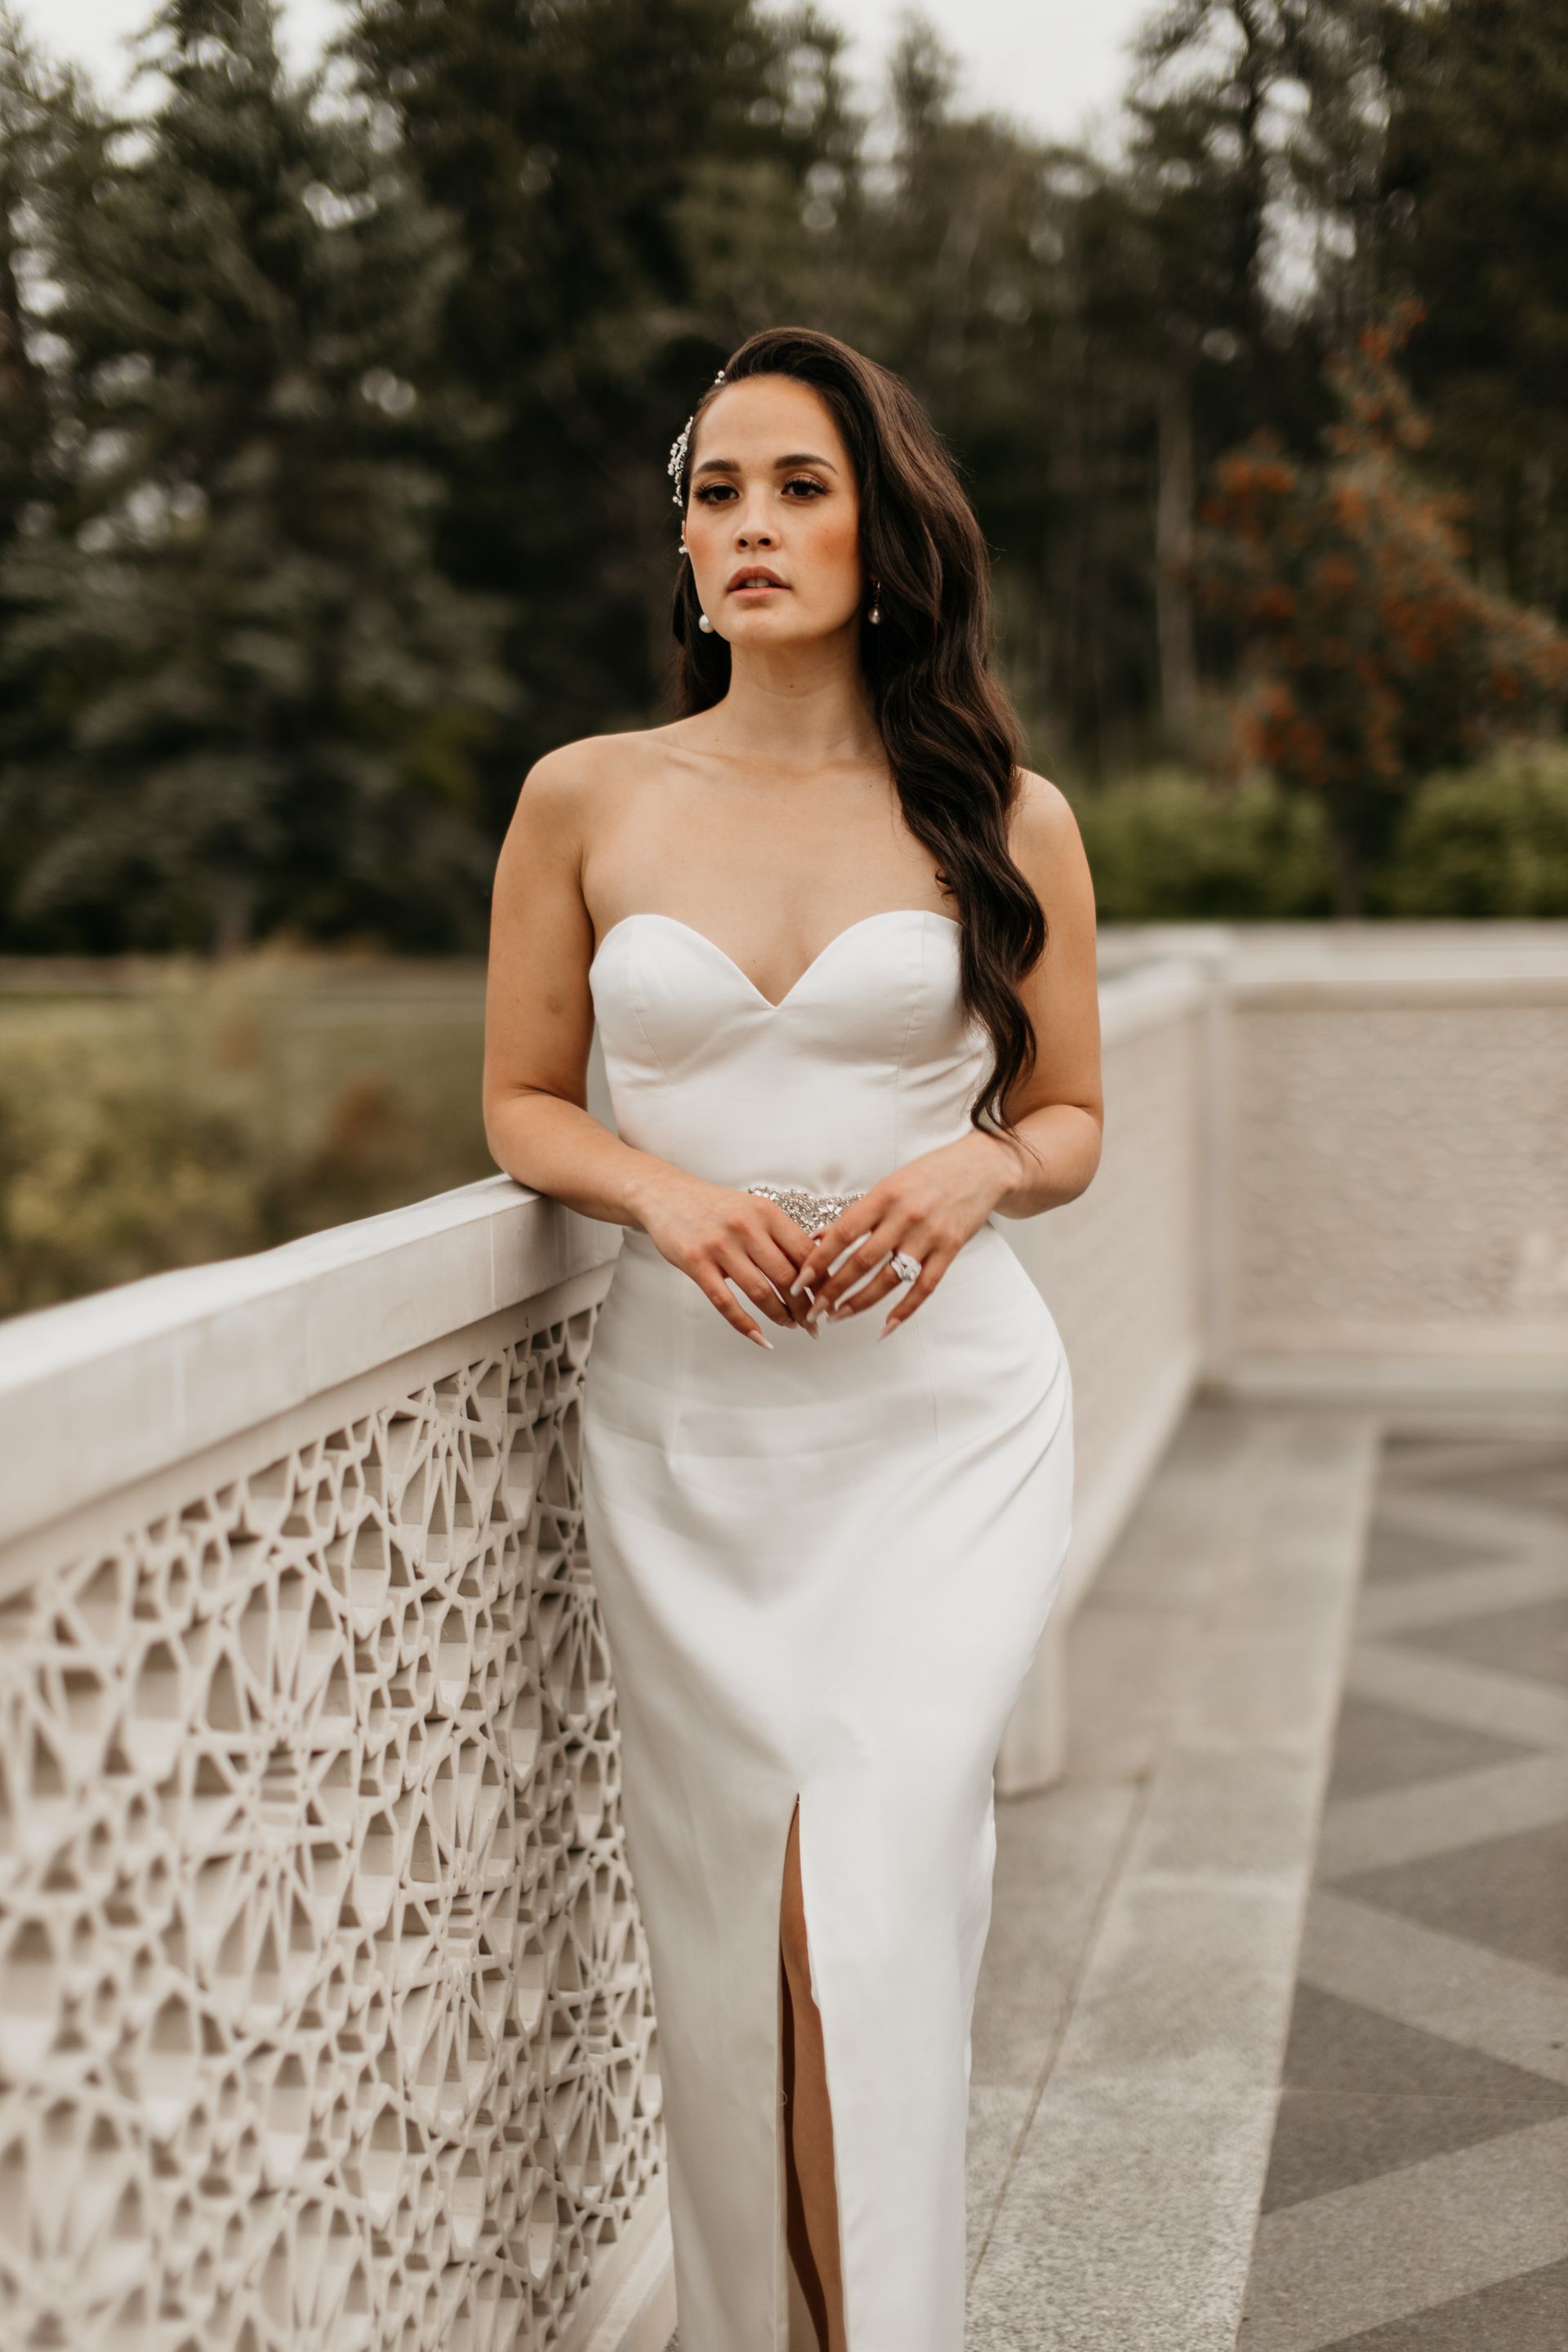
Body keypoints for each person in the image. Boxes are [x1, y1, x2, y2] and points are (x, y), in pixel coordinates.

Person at [482, 325, 1102, 2352]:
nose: (748, 527)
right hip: (691, 1446)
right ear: (681, 542)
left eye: (799, 487)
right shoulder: (585, 798)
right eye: (717, 493)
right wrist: (662, 1195)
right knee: (738, 1944)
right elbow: (524, 1102)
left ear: (882, 526)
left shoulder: (1004, 812)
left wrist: (981, 1170)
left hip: (943, 1431)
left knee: (872, 1900)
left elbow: (1077, 1115)